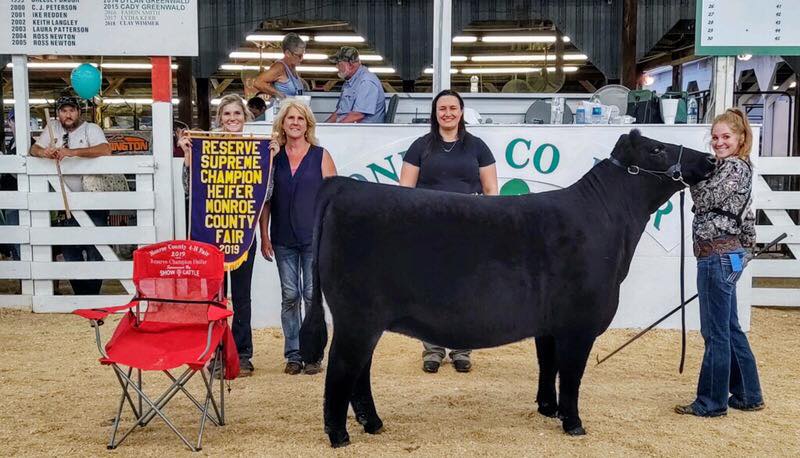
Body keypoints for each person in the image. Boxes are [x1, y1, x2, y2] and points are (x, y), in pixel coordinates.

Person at [399, 89, 498, 373]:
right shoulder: (420, 146)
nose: (448, 113)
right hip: (428, 229)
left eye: (453, 108)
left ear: (461, 112)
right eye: (442, 109)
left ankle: (461, 350)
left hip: (469, 229)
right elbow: (405, 190)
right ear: (435, 113)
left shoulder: (477, 147)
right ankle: (432, 349)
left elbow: (491, 189)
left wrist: (489, 224)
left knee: (465, 290)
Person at [675, 108, 764, 417]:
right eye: (715, 137)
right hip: (729, 255)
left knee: (716, 333)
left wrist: (691, 177)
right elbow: (746, 216)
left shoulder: (733, 167)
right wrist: (746, 250)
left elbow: (705, 199)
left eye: (726, 136)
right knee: (729, 327)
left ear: (741, 138)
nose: (719, 142)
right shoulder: (740, 168)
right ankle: (748, 393)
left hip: (716, 256)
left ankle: (711, 402)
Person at [178, 94, 259, 376]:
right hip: (213, 233)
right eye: (227, 114)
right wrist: (188, 157)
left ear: (245, 118)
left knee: (242, 297)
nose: (232, 118)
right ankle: (216, 351)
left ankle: (242, 354)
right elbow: (190, 190)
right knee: (215, 297)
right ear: (219, 119)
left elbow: (265, 192)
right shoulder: (206, 147)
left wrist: (269, 159)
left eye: (237, 113)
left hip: (243, 233)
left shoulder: (255, 149)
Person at [259, 100, 337, 375]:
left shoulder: (321, 155)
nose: (295, 122)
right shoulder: (273, 157)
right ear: (282, 123)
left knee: (312, 297)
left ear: (308, 124)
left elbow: (334, 198)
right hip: (282, 238)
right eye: (290, 118)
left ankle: (313, 354)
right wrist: (264, 235)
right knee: (290, 296)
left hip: (315, 238)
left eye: (300, 118)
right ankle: (293, 354)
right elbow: (265, 200)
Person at [30, 96, 112, 295]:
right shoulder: (52, 128)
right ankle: (81, 295)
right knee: (70, 251)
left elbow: (105, 149)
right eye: (64, 111)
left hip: (93, 200)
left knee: (96, 250)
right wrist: (45, 152)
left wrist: (72, 152)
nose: (68, 115)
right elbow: (34, 148)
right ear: (58, 113)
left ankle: (92, 295)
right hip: (64, 201)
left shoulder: (91, 129)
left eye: (72, 110)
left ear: (79, 112)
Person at [325, 46, 386, 123]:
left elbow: (357, 115)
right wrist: (323, 126)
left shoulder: (366, 82)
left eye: (339, 63)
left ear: (350, 64)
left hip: (363, 129)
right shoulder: (349, 81)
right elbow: (339, 112)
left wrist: (337, 127)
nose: (337, 67)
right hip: (351, 127)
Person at [253, 33, 306, 100]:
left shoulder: (292, 68)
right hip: (281, 106)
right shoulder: (279, 67)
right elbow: (258, 82)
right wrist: (277, 94)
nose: (301, 59)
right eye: (299, 56)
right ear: (287, 53)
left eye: (303, 55)